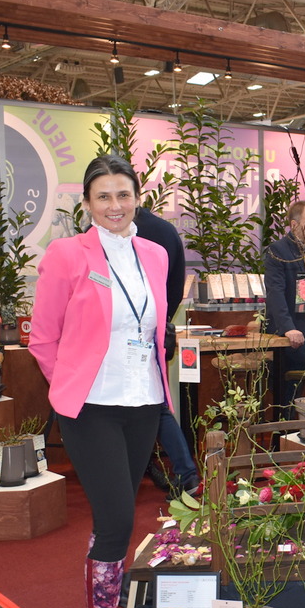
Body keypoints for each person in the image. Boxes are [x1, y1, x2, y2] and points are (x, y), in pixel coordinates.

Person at [29, 155, 170, 608]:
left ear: (138, 198)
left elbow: (154, 327)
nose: (115, 205)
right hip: (91, 407)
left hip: (143, 401)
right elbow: (43, 338)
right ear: (87, 203)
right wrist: (69, 386)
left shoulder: (155, 254)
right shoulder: (67, 254)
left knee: (121, 519)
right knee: (114, 520)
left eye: (123, 194)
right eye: (104, 196)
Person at [133, 205, 199, 498]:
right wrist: (161, 320)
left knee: (153, 407)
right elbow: (175, 289)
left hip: (121, 339)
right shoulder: (166, 231)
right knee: (156, 403)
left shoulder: (101, 232)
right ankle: (184, 472)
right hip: (154, 331)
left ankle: (184, 472)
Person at [264, 200, 305, 406]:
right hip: (288, 330)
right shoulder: (278, 251)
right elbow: (275, 292)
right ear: (294, 225)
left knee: (292, 385)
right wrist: (288, 328)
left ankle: (289, 415)